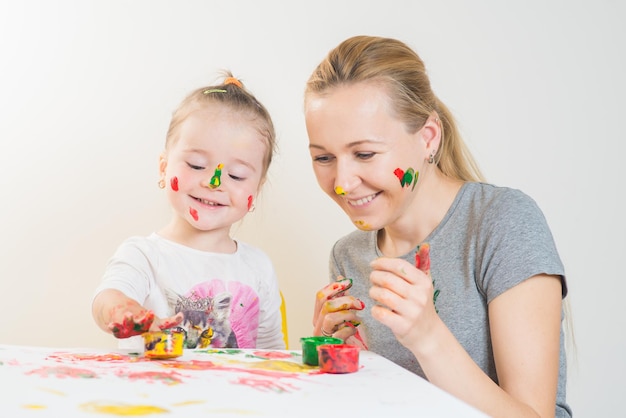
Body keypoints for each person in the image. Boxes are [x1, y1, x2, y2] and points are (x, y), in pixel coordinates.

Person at [304, 35, 571, 417]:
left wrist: (427, 335)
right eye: (323, 157)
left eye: (364, 153)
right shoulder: (349, 255)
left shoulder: (502, 222)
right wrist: (329, 354)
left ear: (428, 137)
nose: (342, 182)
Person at [92, 73, 285, 351]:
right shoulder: (144, 256)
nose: (213, 182)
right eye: (196, 165)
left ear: (257, 188)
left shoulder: (258, 267)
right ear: (163, 167)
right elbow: (106, 297)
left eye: (237, 174)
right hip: (154, 392)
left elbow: (270, 352)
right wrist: (122, 310)